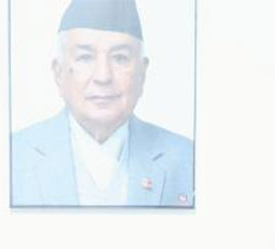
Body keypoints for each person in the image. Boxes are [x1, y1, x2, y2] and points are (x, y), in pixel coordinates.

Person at [11, 0, 195, 207]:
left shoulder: (188, 159)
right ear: (59, 73)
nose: (103, 76)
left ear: (142, 74)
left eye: (120, 58)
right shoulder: (14, 156)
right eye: (85, 57)